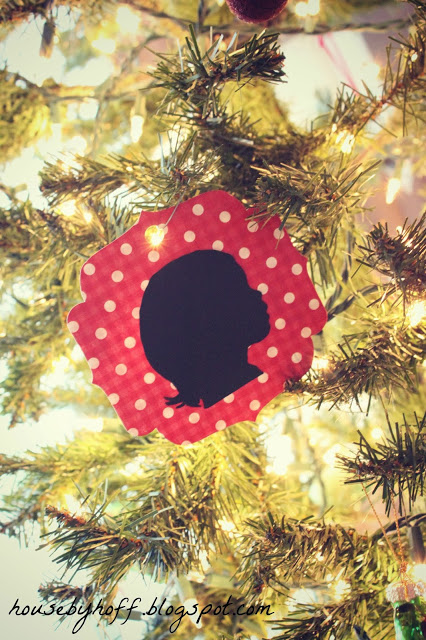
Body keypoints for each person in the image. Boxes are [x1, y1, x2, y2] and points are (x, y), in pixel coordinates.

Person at [140, 249, 270, 408]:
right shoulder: (249, 384)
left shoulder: (247, 383)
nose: (256, 293)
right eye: (238, 289)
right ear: (208, 319)